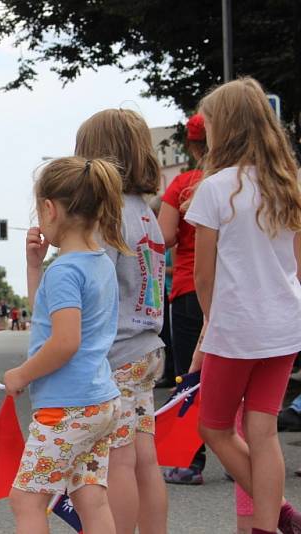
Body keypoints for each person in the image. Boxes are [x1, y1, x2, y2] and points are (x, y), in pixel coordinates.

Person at [185, 77, 301, 534]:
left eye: (208, 123)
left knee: (213, 428)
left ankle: (282, 513)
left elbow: (203, 274)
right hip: (286, 324)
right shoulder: (289, 185)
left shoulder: (215, 188)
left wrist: (213, 321)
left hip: (234, 329)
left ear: (226, 128)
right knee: (263, 430)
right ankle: (268, 525)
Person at [3, 157, 126, 533]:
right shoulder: (98, 261)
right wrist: (34, 268)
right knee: (90, 495)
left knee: (27, 499)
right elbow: (47, 318)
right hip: (99, 400)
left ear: (50, 209)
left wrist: (21, 374)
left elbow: (64, 342)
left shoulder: (66, 271)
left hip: (65, 407)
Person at [75, 108, 168, 534]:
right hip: (147, 345)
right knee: (145, 457)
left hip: (117, 353)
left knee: (120, 460)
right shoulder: (146, 212)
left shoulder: (107, 215)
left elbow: (93, 290)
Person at [157, 113, 209, 483]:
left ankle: (191, 460)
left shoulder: (185, 184)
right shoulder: (252, 181)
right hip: (238, 291)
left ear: (191, 147)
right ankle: (250, 458)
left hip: (191, 287)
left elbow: (164, 237)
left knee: (189, 375)